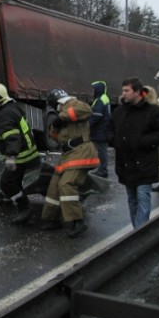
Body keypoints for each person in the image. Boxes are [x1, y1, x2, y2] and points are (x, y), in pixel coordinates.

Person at [107, 77, 159, 228]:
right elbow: (109, 130)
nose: (123, 94)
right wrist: (114, 140)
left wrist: (143, 141)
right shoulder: (119, 112)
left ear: (137, 92)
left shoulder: (152, 111)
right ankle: (137, 228)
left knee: (143, 196)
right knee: (131, 198)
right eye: (123, 90)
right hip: (125, 163)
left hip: (145, 163)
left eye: (126, 90)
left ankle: (140, 231)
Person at [40, 88, 99, 238]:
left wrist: (63, 117)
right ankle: (50, 219)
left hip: (81, 151)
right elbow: (54, 135)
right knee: (54, 187)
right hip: (67, 154)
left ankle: (77, 221)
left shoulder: (73, 104)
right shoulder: (60, 113)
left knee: (66, 184)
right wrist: (56, 125)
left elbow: (86, 110)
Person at [0, 83, 39, 224]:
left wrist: (11, 157)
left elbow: (13, 138)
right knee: (15, 182)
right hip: (26, 153)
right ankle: (22, 208)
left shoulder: (5, 116)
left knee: (6, 184)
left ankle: (25, 207)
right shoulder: (10, 108)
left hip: (20, 156)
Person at [89, 81, 111, 178]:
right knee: (102, 150)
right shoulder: (103, 98)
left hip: (101, 129)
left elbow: (96, 115)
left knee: (102, 151)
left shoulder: (100, 100)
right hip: (102, 128)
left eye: (94, 89)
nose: (93, 91)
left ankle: (102, 170)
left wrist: (88, 124)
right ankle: (102, 169)